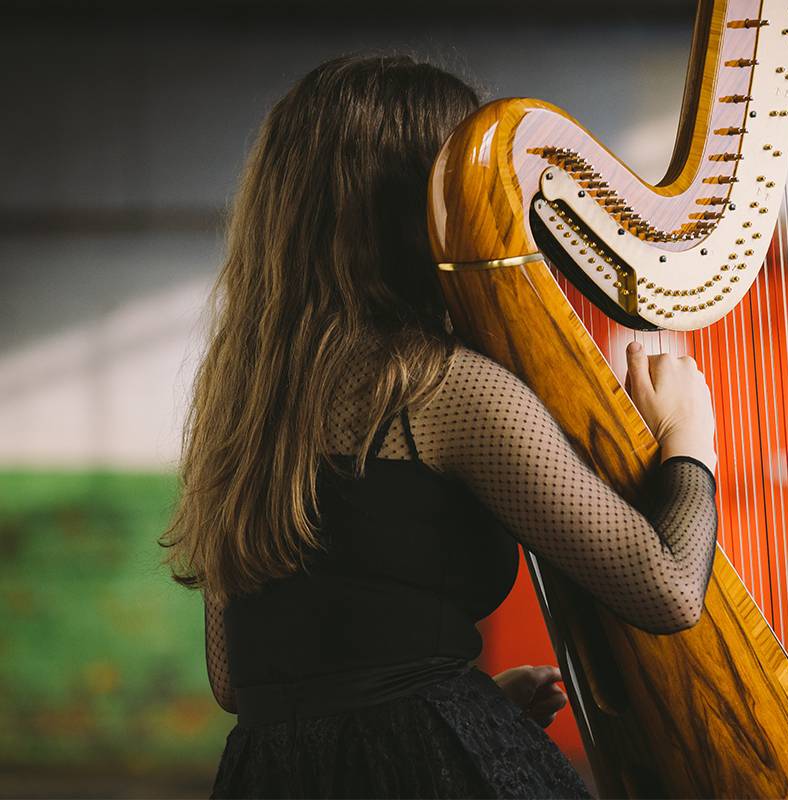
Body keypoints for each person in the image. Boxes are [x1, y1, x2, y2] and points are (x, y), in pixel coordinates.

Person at [160, 53, 719, 800]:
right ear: (416, 208)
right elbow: (669, 589)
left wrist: (465, 701)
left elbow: (239, 681)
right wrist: (691, 440)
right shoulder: (445, 389)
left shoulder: (240, 408)